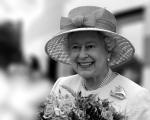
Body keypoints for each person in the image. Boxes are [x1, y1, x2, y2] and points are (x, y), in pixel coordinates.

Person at [45, 6, 150, 119]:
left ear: (108, 50)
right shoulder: (62, 86)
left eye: (90, 46)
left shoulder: (135, 96)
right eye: (75, 47)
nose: (82, 55)